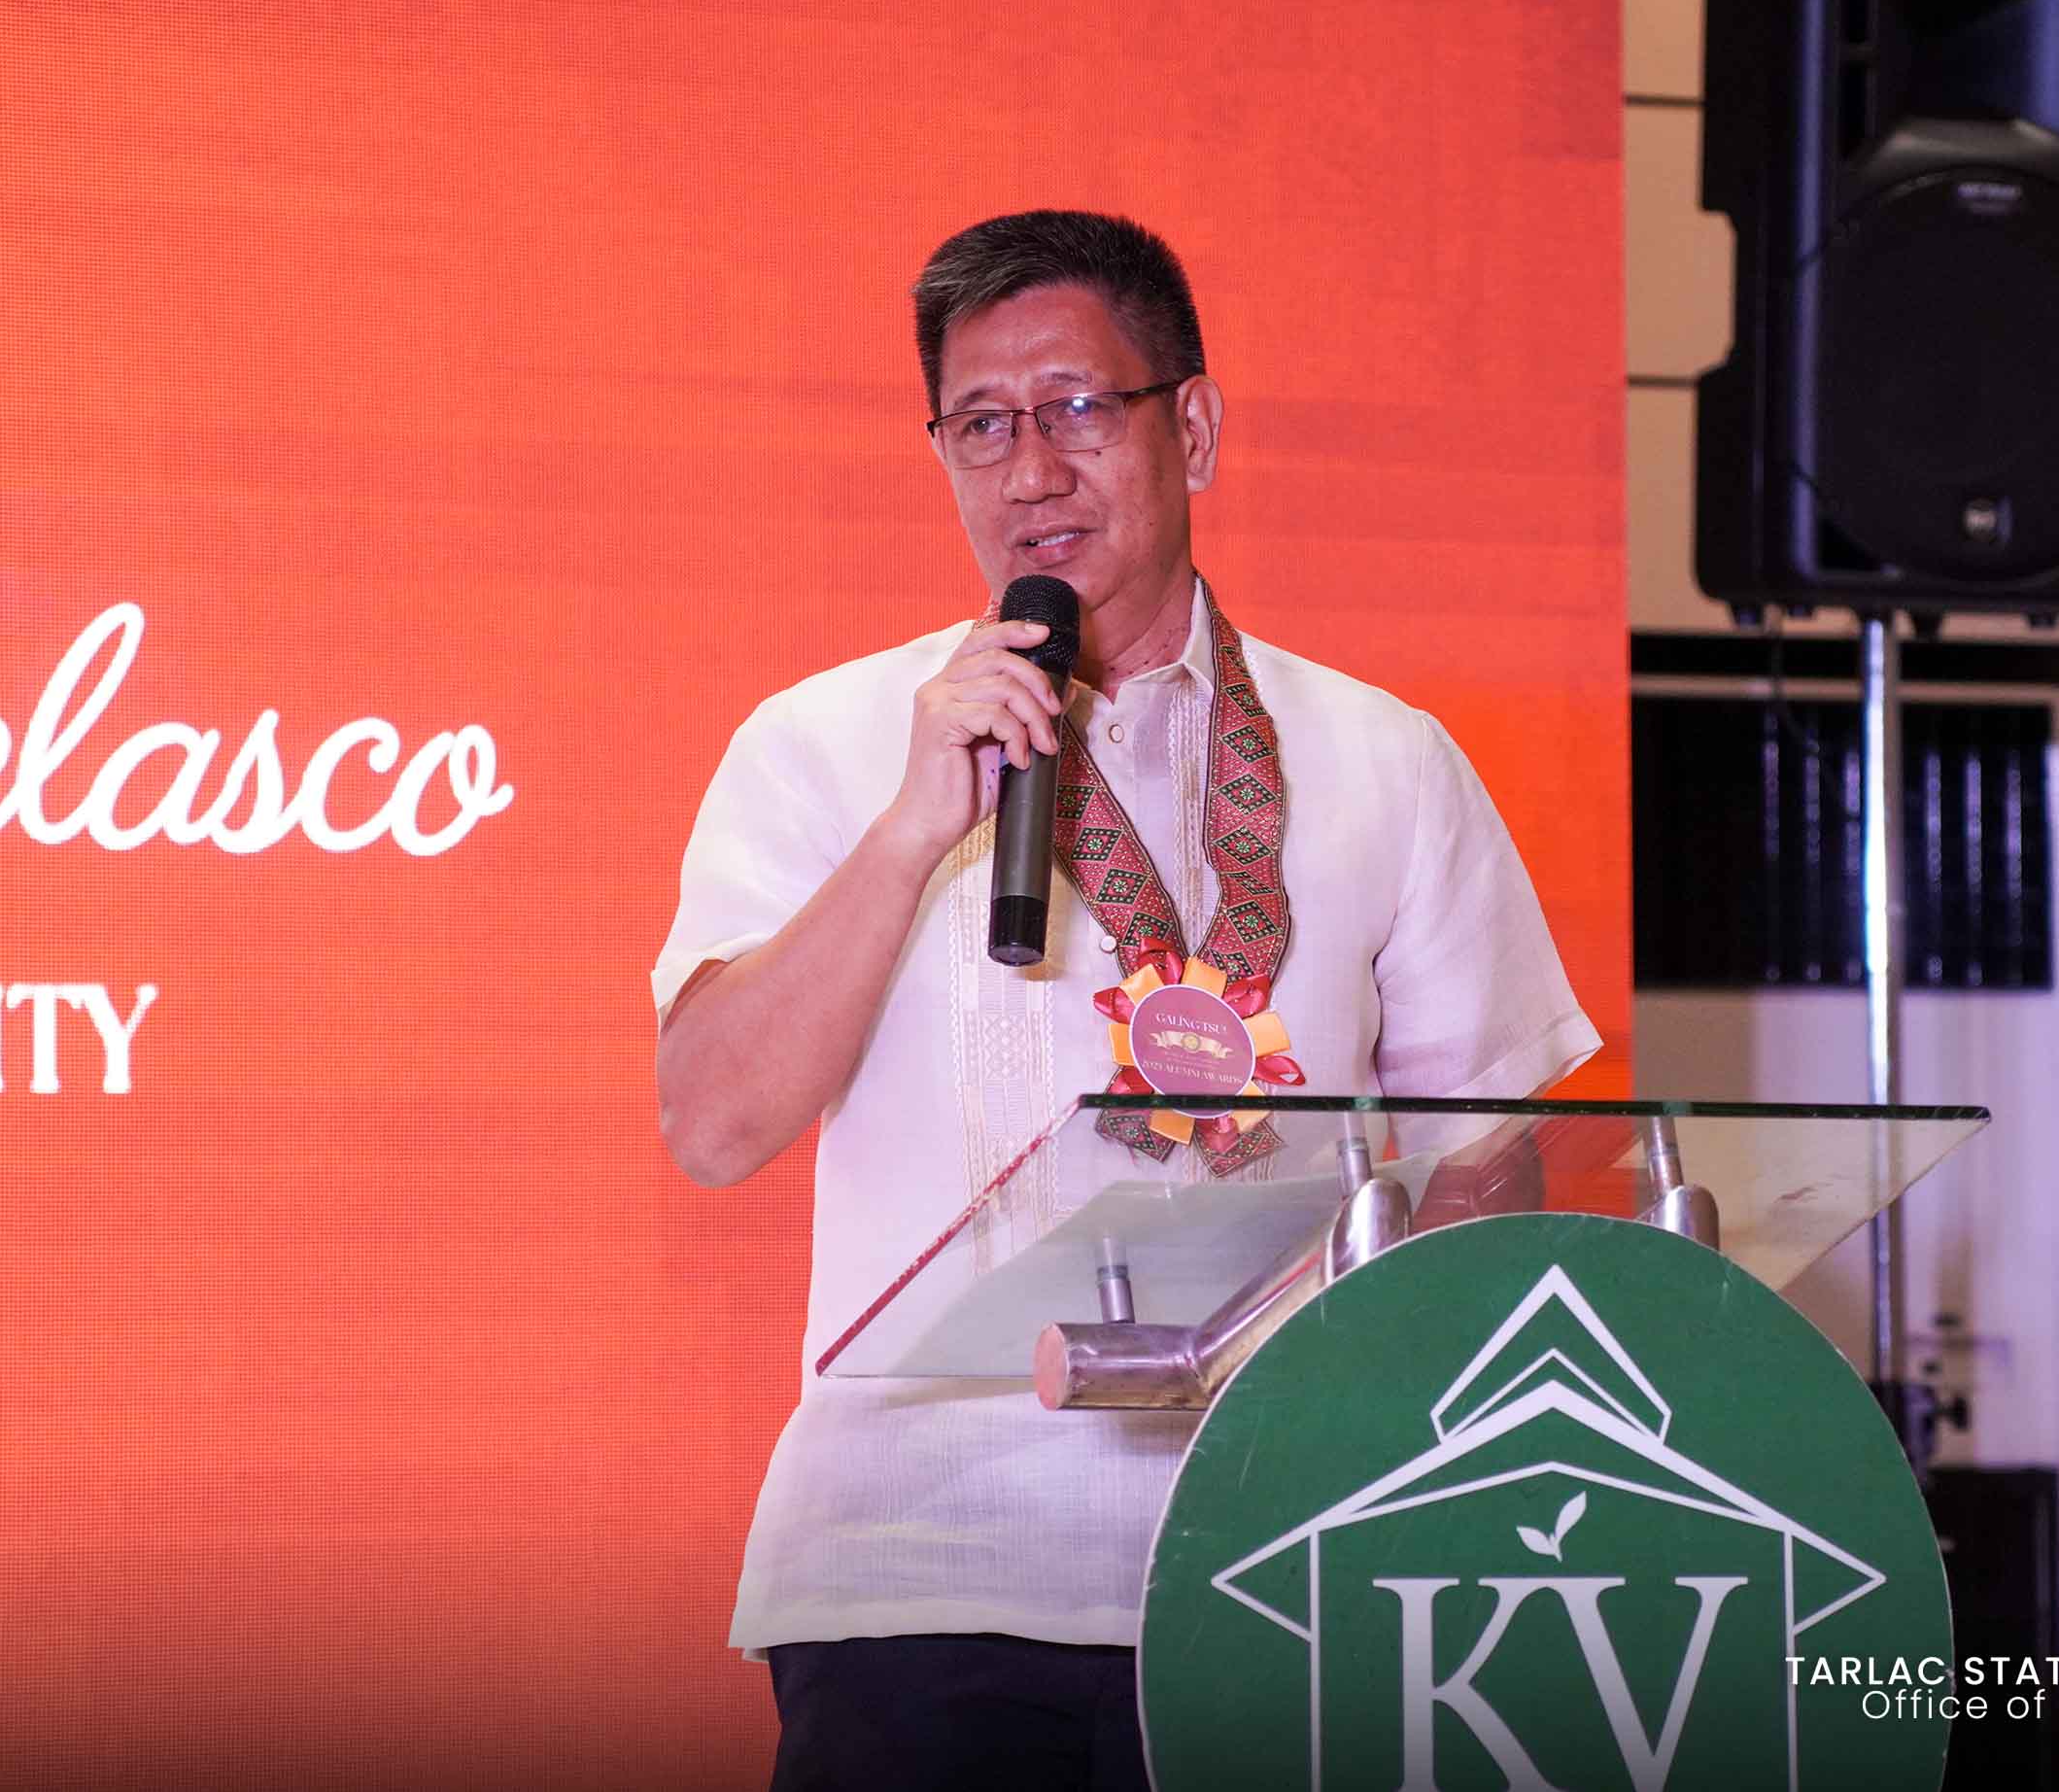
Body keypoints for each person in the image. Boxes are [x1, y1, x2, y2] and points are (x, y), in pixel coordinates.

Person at [651, 209, 1598, 1790]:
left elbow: (1483, 1169)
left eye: (1079, 407)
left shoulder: (1387, 757)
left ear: (1195, 426)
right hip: (921, 1568)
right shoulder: (826, 743)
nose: (1030, 468)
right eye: (980, 424)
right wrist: (912, 830)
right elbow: (710, 1120)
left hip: (1282, 1565)